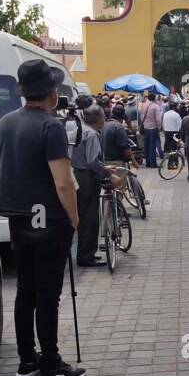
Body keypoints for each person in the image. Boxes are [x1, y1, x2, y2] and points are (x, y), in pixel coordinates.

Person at [0, 60, 85, 376]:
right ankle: (51, 365)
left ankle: (26, 360)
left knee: (25, 291)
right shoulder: (51, 127)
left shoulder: (5, 123)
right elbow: (63, 181)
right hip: (46, 216)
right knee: (48, 294)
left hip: (17, 215)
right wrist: (74, 217)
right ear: (52, 93)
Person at [71, 105, 120, 268]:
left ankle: (85, 253)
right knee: (89, 218)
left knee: (84, 215)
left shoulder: (80, 130)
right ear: (100, 119)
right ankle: (86, 256)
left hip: (78, 173)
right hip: (86, 177)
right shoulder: (91, 134)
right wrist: (107, 173)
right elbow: (92, 161)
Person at [140, 92, 163, 167]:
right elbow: (158, 119)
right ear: (154, 98)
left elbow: (141, 117)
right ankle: (153, 163)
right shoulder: (155, 106)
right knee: (152, 146)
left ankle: (148, 162)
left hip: (145, 127)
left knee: (146, 146)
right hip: (153, 128)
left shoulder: (143, 105)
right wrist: (159, 127)